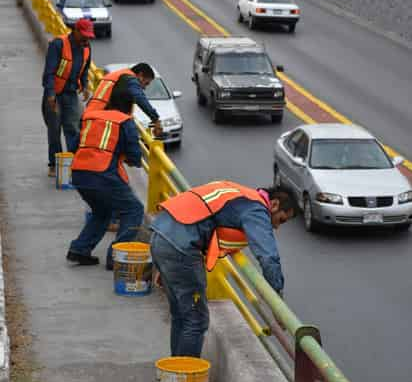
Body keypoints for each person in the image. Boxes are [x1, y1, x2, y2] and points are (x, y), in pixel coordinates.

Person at [150, 180, 296, 358]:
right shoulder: (256, 209)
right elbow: (268, 256)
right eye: (280, 220)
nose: (276, 227)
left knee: (181, 314)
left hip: (161, 234)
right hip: (180, 247)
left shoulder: (239, 192)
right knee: (196, 320)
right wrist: (277, 299)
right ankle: (185, 381)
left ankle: (177, 374)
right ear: (274, 205)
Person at [67, 90, 143, 268]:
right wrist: (126, 159)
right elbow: (134, 157)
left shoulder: (90, 117)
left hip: (79, 172)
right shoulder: (125, 121)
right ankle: (117, 258)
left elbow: (72, 146)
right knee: (134, 209)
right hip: (103, 174)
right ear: (130, 107)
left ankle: (79, 250)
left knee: (102, 212)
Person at [42, 19, 94, 177]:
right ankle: (54, 164)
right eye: (84, 36)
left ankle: (74, 164)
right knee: (54, 130)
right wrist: (50, 94)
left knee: (73, 129)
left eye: (89, 37)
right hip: (55, 95)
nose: (86, 40)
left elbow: (85, 69)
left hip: (71, 94)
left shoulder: (86, 48)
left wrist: (85, 85)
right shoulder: (58, 45)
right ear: (76, 31)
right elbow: (49, 72)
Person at [86, 62, 162, 137]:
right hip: (101, 120)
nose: (144, 88)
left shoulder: (119, 75)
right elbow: (140, 98)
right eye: (146, 83)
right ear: (140, 75)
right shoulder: (130, 80)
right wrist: (155, 119)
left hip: (91, 116)